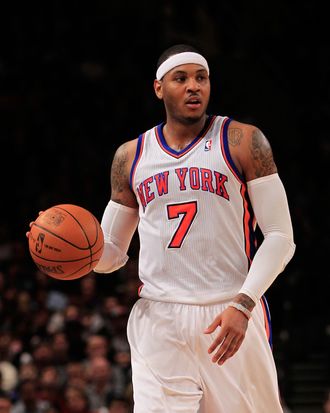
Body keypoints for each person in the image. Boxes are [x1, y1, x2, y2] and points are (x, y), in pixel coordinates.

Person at [27, 43, 296, 412]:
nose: (193, 87)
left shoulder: (243, 141)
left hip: (229, 310)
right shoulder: (131, 157)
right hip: (160, 317)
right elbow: (110, 255)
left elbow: (281, 237)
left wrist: (244, 303)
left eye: (201, 78)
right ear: (159, 88)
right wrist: (63, 247)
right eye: (181, 78)